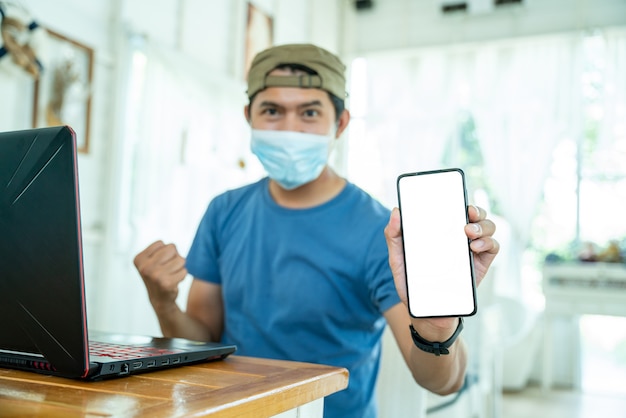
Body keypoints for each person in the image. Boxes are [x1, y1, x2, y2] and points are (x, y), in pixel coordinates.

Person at [133, 43, 499, 418]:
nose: (290, 128)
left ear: (339, 123)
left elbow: (442, 382)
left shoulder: (382, 231)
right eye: (272, 111)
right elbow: (203, 340)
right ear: (249, 116)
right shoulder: (224, 211)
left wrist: (437, 326)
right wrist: (163, 302)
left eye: (309, 112)